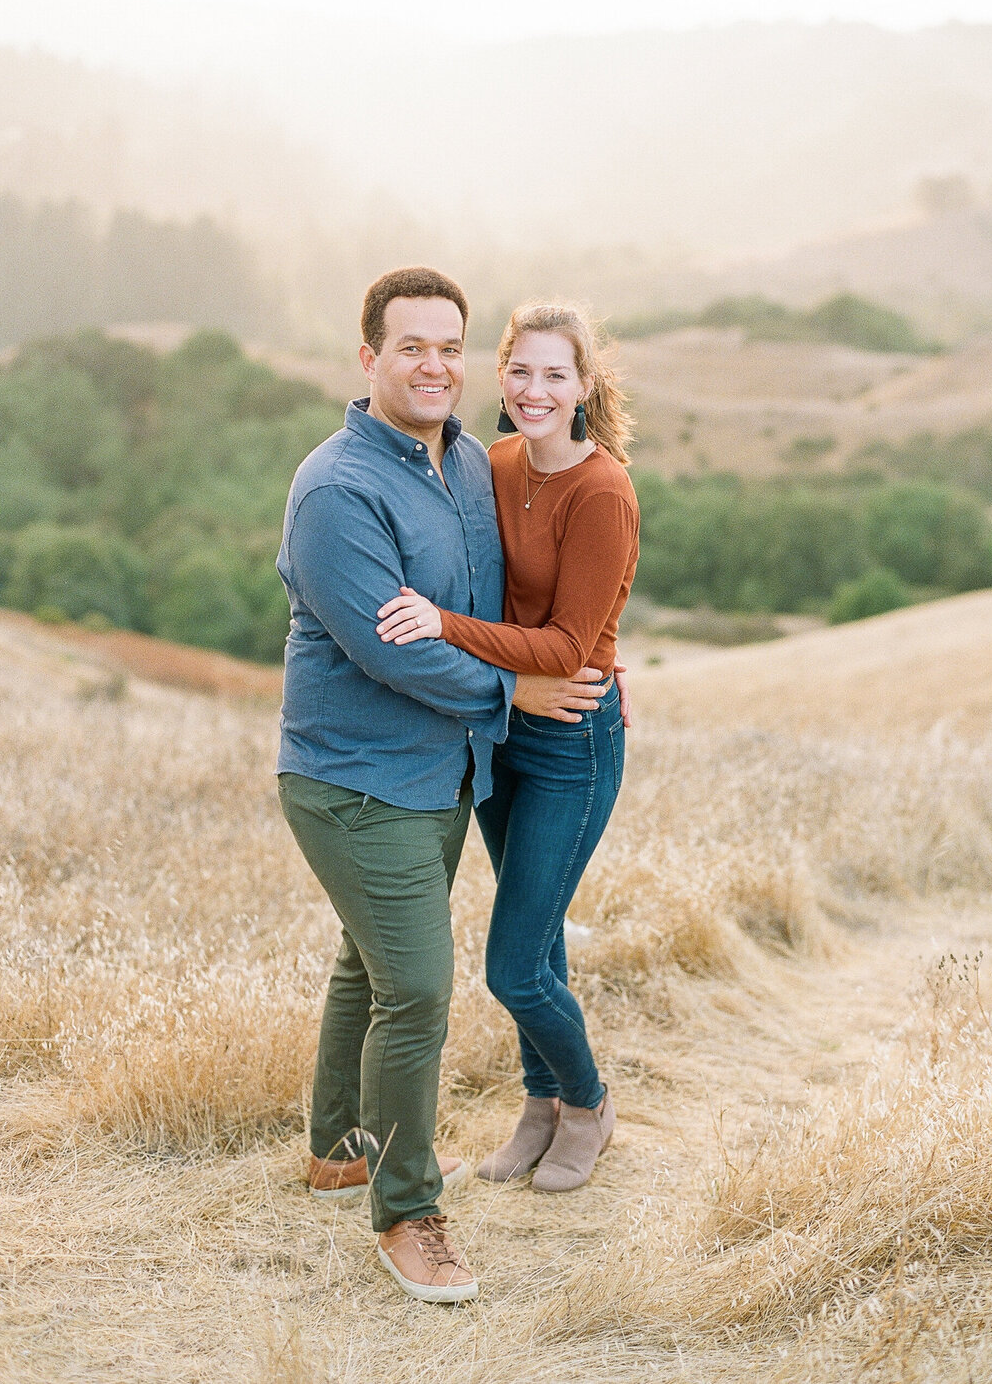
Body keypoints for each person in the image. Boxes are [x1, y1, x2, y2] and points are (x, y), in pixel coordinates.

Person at [275, 267, 608, 1305]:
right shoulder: (337, 490)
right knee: (416, 989)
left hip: (441, 773)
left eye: (449, 346)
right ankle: (408, 1212)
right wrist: (522, 693)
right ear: (367, 356)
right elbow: (397, 653)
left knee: (365, 966)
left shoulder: (468, 463)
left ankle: (341, 1149)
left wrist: (585, 664)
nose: (433, 365)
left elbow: (548, 579)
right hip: (354, 777)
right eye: (410, 346)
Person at [376, 302, 640, 1193]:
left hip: (572, 737)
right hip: (500, 730)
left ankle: (591, 1104)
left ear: (585, 386)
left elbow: (568, 648)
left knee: (515, 967)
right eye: (520, 372)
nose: (535, 390)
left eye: (555, 375)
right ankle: (541, 1109)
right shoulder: (491, 464)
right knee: (543, 943)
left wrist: (444, 626)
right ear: (502, 376)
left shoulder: (601, 491)